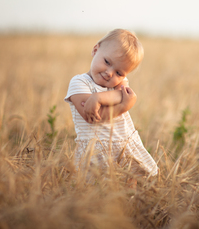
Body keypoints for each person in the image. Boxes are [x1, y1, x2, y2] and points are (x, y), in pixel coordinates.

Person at [64, 29, 158, 178]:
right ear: (95, 50)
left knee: (130, 182)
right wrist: (122, 105)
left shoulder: (119, 84)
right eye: (107, 62)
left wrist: (97, 98)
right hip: (94, 150)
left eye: (119, 73)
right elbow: (94, 117)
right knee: (95, 188)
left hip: (124, 145)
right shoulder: (79, 83)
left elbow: (124, 94)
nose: (109, 73)